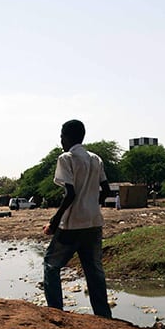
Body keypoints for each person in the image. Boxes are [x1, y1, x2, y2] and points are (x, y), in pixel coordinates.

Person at [42, 119, 112, 318]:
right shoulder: (95, 159)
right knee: (94, 270)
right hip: (93, 222)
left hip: (72, 224)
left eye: (62, 136)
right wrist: (92, 205)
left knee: (51, 265)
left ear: (67, 137)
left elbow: (70, 194)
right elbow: (105, 189)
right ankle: (104, 316)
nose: (61, 140)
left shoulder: (67, 158)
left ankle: (56, 312)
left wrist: (54, 223)